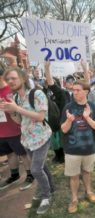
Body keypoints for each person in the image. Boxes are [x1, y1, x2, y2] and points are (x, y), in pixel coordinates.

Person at [1, 67, 54, 214]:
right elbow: (19, 121)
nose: (10, 81)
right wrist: (11, 112)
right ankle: (51, 187)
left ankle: (46, 195)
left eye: (13, 78)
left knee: (36, 169)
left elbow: (40, 117)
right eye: (8, 79)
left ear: (23, 79)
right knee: (42, 167)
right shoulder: (16, 98)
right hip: (27, 139)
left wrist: (16, 108)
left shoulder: (37, 94)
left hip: (42, 137)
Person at [61, 79, 95, 213]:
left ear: (86, 91)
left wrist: (87, 117)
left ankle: (88, 192)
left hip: (89, 149)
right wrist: (69, 120)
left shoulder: (94, 107)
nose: (74, 92)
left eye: (78, 90)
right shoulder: (68, 107)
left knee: (87, 172)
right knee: (73, 176)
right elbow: (64, 129)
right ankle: (74, 199)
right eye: (73, 90)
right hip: (72, 150)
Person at [0, 62, 34, 191]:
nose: (10, 80)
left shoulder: (12, 89)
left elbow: (23, 107)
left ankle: (30, 174)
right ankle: (14, 175)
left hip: (16, 128)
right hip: (2, 131)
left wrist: (10, 108)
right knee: (9, 153)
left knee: (23, 153)